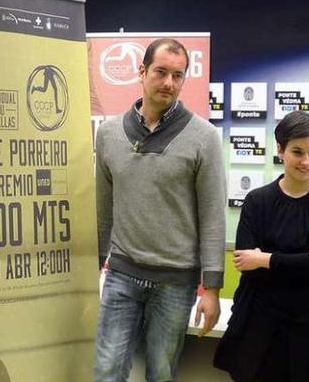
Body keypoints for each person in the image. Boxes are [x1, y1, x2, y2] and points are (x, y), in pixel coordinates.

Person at [95, 38, 226, 382]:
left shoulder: (204, 137)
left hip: (175, 283)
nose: (169, 82)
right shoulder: (109, 134)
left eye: (178, 75)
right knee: (106, 371)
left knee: (161, 374)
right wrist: (95, 261)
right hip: (121, 275)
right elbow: (103, 205)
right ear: (142, 72)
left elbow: (213, 216)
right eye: (161, 72)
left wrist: (211, 288)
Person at [213, 111, 309, 381]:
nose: (307, 161)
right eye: (298, 152)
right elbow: (246, 266)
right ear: (280, 150)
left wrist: (265, 259)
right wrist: (306, 257)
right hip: (259, 328)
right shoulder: (257, 201)